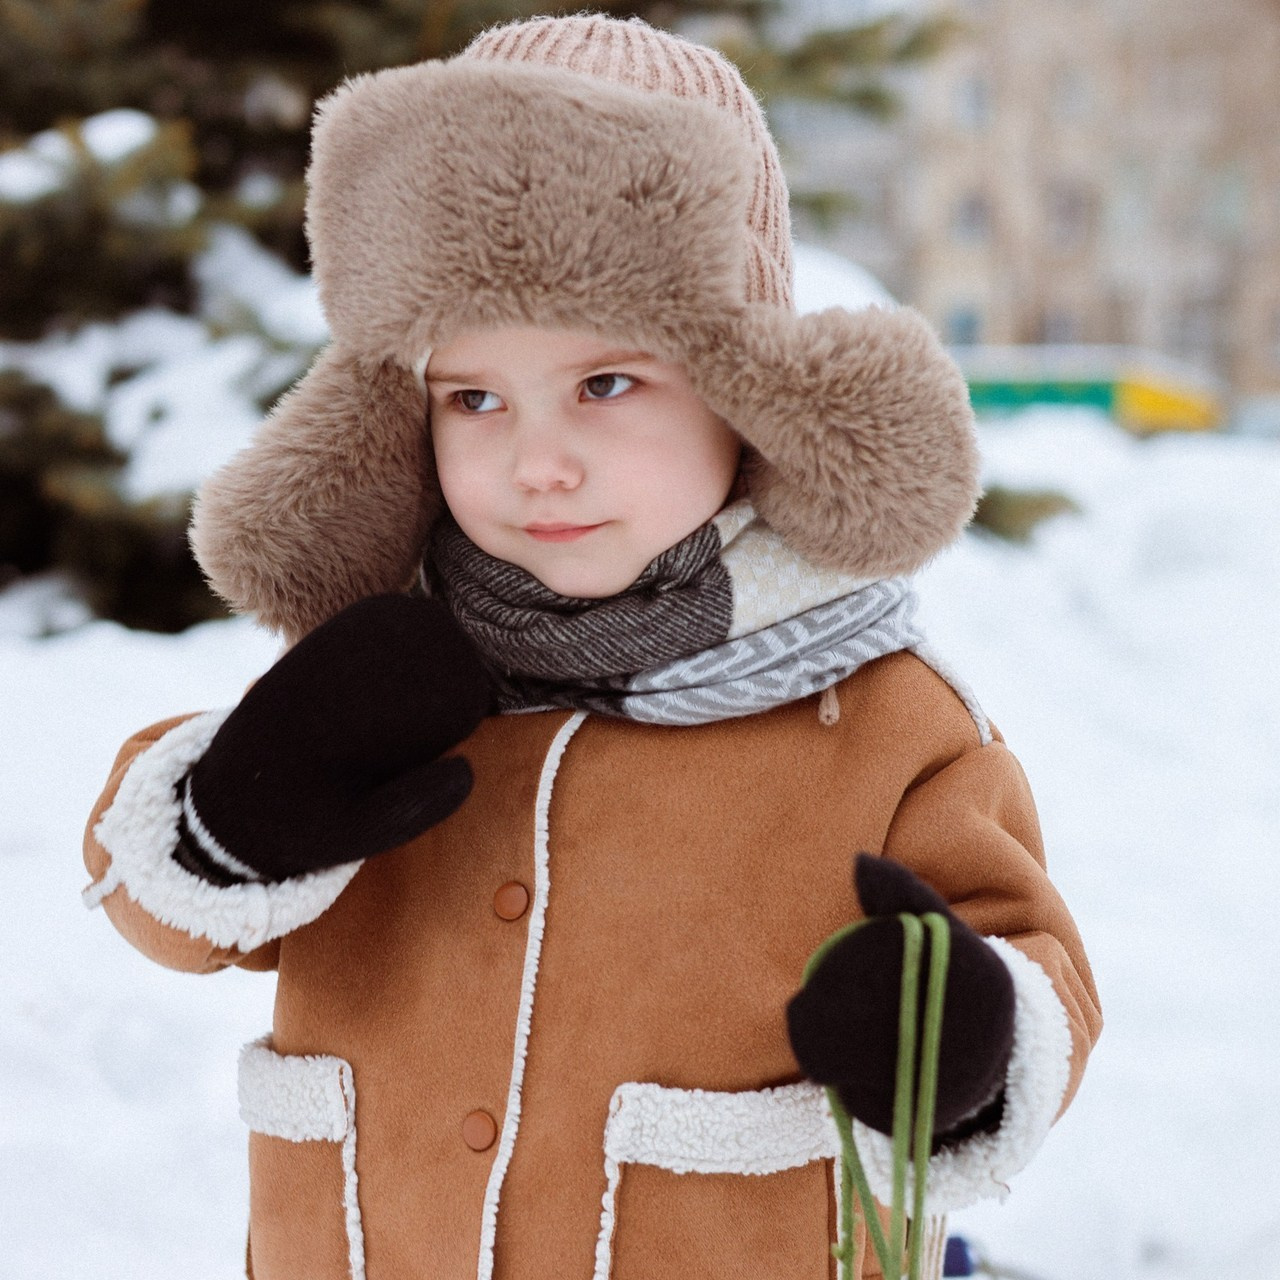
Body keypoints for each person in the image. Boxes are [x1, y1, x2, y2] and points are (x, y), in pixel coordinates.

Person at [82, 15, 1101, 1280]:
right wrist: (226, 821)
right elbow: (160, 910)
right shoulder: (387, 679)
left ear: (744, 385)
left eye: (605, 385)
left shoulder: (878, 714)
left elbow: (1033, 953)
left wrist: (964, 1037)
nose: (534, 461)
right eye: (474, 397)